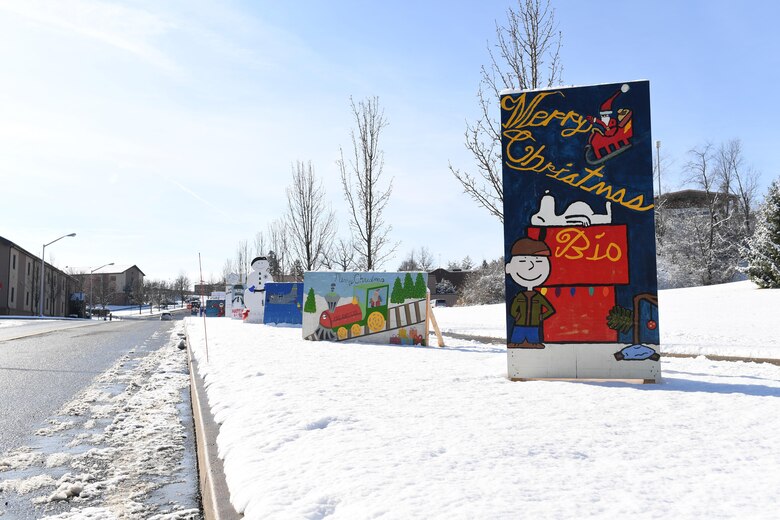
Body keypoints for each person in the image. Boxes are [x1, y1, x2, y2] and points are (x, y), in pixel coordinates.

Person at [505, 237, 556, 349]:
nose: (530, 267)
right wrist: (516, 315)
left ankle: (534, 343)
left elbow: (550, 309)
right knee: (517, 336)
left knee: (534, 337)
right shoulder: (519, 296)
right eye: (522, 261)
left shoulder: (538, 297)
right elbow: (513, 308)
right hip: (520, 324)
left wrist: (541, 316)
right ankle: (516, 342)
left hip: (534, 324)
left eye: (538, 261)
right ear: (508, 268)